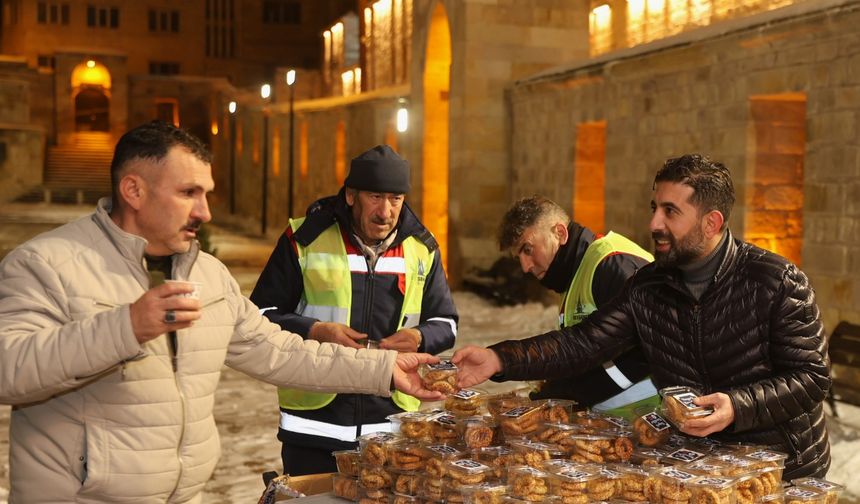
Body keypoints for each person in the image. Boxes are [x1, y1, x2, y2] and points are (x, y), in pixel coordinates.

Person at [0, 121, 444, 503]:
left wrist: (384, 369)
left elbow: (280, 351)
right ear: (133, 189)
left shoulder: (208, 274)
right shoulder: (45, 264)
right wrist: (126, 327)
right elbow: (9, 369)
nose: (205, 211)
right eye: (188, 193)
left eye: (207, 193)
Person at [454, 154, 831, 479]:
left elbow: (812, 377)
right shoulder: (648, 287)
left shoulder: (776, 281)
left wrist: (738, 406)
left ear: (711, 223)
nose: (654, 224)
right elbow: (584, 342)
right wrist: (501, 358)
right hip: (699, 463)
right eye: (655, 208)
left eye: (671, 212)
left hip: (782, 468)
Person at [250, 144, 458, 475]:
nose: (386, 211)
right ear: (350, 196)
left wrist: (420, 336)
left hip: (391, 429)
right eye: (375, 197)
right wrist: (315, 330)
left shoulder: (422, 248)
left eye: (395, 199)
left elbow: (446, 323)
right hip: (314, 426)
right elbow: (259, 315)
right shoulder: (304, 238)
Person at [498, 196, 656, 418]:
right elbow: (582, 349)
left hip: (646, 416)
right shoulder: (576, 273)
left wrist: (560, 395)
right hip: (614, 419)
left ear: (560, 233)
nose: (525, 267)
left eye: (528, 249)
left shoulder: (612, 263)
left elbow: (643, 353)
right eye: (519, 257)